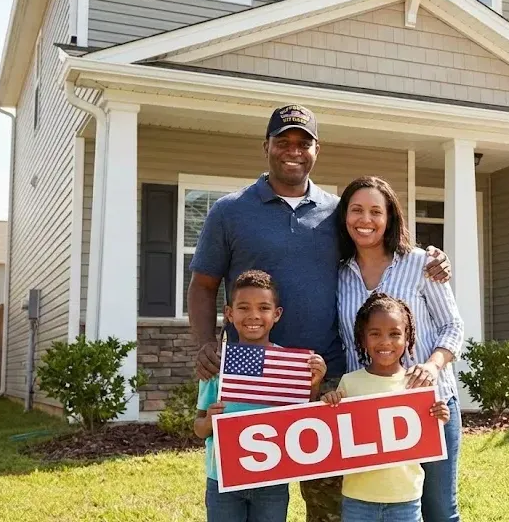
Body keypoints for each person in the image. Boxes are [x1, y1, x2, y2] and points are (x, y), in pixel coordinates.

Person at [187, 104, 453, 522]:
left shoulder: (335, 212)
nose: (294, 150)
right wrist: (204, 344)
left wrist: (431, 259)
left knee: (328, 505)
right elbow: (202, 286)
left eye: (303, 143)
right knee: (247, 492)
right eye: (284, 141)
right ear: (267, 146)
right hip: (251, 374)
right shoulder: (229, 211)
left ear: (316, 150)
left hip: (324, 377)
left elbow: (378, 239)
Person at [335, 176, 464, 522]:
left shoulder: (423, 264)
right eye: (357, 210)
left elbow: (453, 325)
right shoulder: (339, 273)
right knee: (376, 503)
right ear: (344, 216)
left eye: (376, 211)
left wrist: (433, 365)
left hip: (430, 405)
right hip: (368, 410)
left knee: (439, 509)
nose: (366, 220)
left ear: (390, 217)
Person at [195, 269, 328, 522]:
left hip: (271, 479)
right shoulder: (218, 364)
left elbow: (304, 422)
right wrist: (210, 421)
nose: (254, 315)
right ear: (230, 313)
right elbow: (198, 427)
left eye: (263, 308)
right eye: (243, 308)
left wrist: (314, 383)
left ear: (276, 314)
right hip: (223, 478)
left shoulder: (291, 366)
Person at [322, 292, 451, 522]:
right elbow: (334, 435)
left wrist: (440, 416)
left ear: (407, 337)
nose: (385, 342)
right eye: (375, 334)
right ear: (362, 338)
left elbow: (427, 435)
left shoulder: (417, 383)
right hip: (357, 499)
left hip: (405, 499)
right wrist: (329, 403)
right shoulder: (349, 382)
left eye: (394, 334)